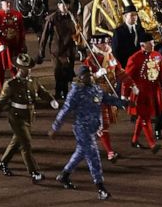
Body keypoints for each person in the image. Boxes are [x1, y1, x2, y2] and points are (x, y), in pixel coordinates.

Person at [51, 66, 123, 200]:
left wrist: (123, 102)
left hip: (93, 128)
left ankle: (64, 175)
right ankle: (101, 188)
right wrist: (55, 127)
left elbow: (107, 99)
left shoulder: (95, 88)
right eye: (85, 75)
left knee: (80, 153)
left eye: (90, 74)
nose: (89, 77)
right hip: (82, 129)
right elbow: (65, 110)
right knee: (93, 157)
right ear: (80, 77)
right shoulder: (76, 92)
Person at [0, 53, 58, 180]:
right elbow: (1, 102)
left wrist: (51, 100)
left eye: (29, 68)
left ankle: (3, 162)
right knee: (26, 145)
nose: (28, 70)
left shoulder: (33, 81)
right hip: (16, 117)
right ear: (19, 69)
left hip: (28, 116)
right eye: (25, 68)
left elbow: (42, 92)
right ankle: (33, 172)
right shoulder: (11, 84)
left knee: (17, 141)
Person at [123, 33, 162, 152]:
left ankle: (134, 140)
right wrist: (126, 94)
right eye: (151, 43)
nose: (153, 45)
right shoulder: (134, 58)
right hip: (140, 92)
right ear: (143, 45)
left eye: (153, 42)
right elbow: (127, 77)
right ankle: (152, 144)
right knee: (145, 118)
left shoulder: (157, 55)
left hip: (153, 91)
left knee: (143, 116)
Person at [84, 33, 125, 161]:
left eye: (107, 43)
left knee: (102, 125)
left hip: (108, 94)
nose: (107, 45)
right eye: (104, 43)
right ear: (97, 45)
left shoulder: (111, 57)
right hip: (96, 97)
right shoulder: (90, 60)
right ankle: (110, 152)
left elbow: (120, 71)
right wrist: (96, 75)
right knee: (103, 125)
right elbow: (83, 80)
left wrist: (131, 84)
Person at [39, 0, 79, 103]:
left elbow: (78, 33)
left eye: (66, 4)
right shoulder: (52, 19)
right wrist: (41, 51)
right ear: (58, 6)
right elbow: (45, 35)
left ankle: (65, 93)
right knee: (57, 72)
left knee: (66, 72)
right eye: (62, 4)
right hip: (56, 50)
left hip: (68, 51)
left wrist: (80, 48)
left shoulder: (72, 17)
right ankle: (58, 92)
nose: (65, 7)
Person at [0, 0, 26, 88]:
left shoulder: (18, 15)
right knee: (0, 69)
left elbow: (21, 31)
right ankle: (2, 89)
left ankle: (16, 89)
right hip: (2, 48)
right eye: (6, 3)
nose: (9, 5)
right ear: (1, 4)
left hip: (14, 47)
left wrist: (22, 44)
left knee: (15, 69)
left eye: (10, 2)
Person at [111, 3, 145, 68]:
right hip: (125, 65)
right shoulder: (118, 31)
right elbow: (115, 51)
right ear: (125, 16)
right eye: (132, 15)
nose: (134, 17)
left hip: (140, 65)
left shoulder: (141, 29)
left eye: (135, 15)